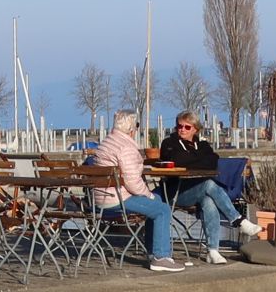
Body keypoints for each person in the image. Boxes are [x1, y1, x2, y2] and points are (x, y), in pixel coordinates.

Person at [159, 110, 262, 264]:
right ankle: (238, 220)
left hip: (198, 190)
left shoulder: (202, 144)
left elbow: (213, 160)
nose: (182, 130)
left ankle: (213, 251)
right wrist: (197, 158)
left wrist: (191, 159)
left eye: (187, 127)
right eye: (180, 126)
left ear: (195, 129)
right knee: (209, 184)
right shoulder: (169, 143)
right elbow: (177, 159)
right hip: (175, 191)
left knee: (209, 200)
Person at [93, 110, 184, 273]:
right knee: (162, 209)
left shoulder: (107, 142)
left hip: (102, 198)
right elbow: (133, 182)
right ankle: (160, 257)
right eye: (136, 125)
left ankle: (153, 252)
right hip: (117, 198)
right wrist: (148, 195)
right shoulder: (125, 147)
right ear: (131, 128)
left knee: (155, 203)